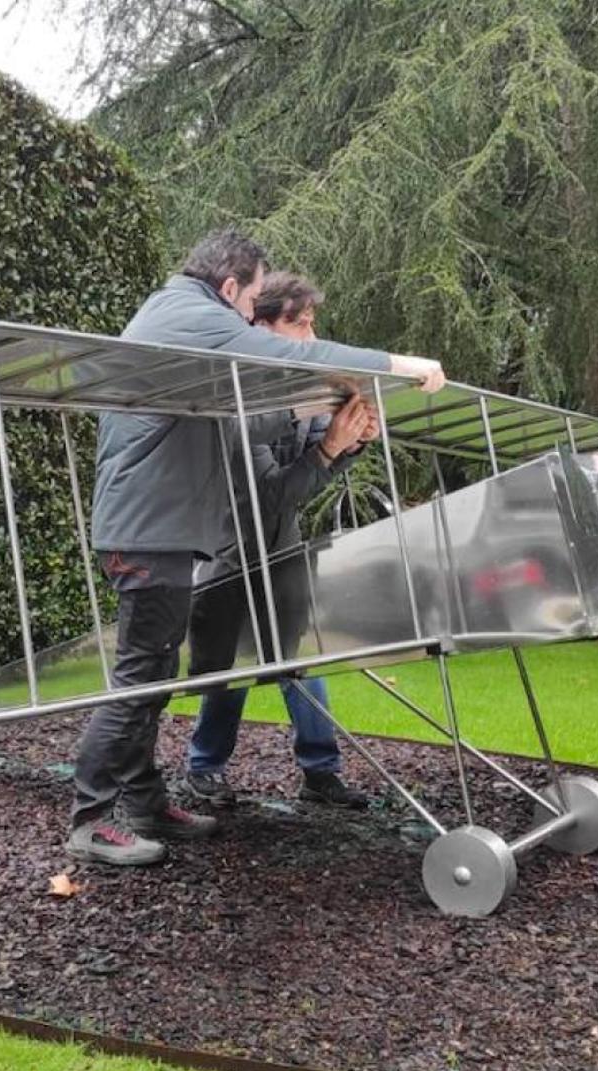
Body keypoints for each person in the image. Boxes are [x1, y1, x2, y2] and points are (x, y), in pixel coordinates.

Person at [68, 229, 445, 867]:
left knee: (154, 677)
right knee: (137, 680)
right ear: (231, 288)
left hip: (161, 530)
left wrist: (331, 438)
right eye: (252, 303)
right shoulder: (190, 313)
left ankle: (143, 802)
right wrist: (396, 365)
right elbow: (282, 358)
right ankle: (90, 818)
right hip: (149, 532)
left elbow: (263, 423)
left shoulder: (181, 314)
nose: (251, 318)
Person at [183, 272, 378, 811]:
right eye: (298, 324)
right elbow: (273, 492)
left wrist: (352, 441)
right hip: (229, 553)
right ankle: (203, 769)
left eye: (313, 322)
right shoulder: (239, 399)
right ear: (260, 326)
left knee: (299, 662)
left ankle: (321, 772)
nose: (311, 336)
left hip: (282, 547)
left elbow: (317, 461)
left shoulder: (299, 391)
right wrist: (329, 452)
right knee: (229, 670)